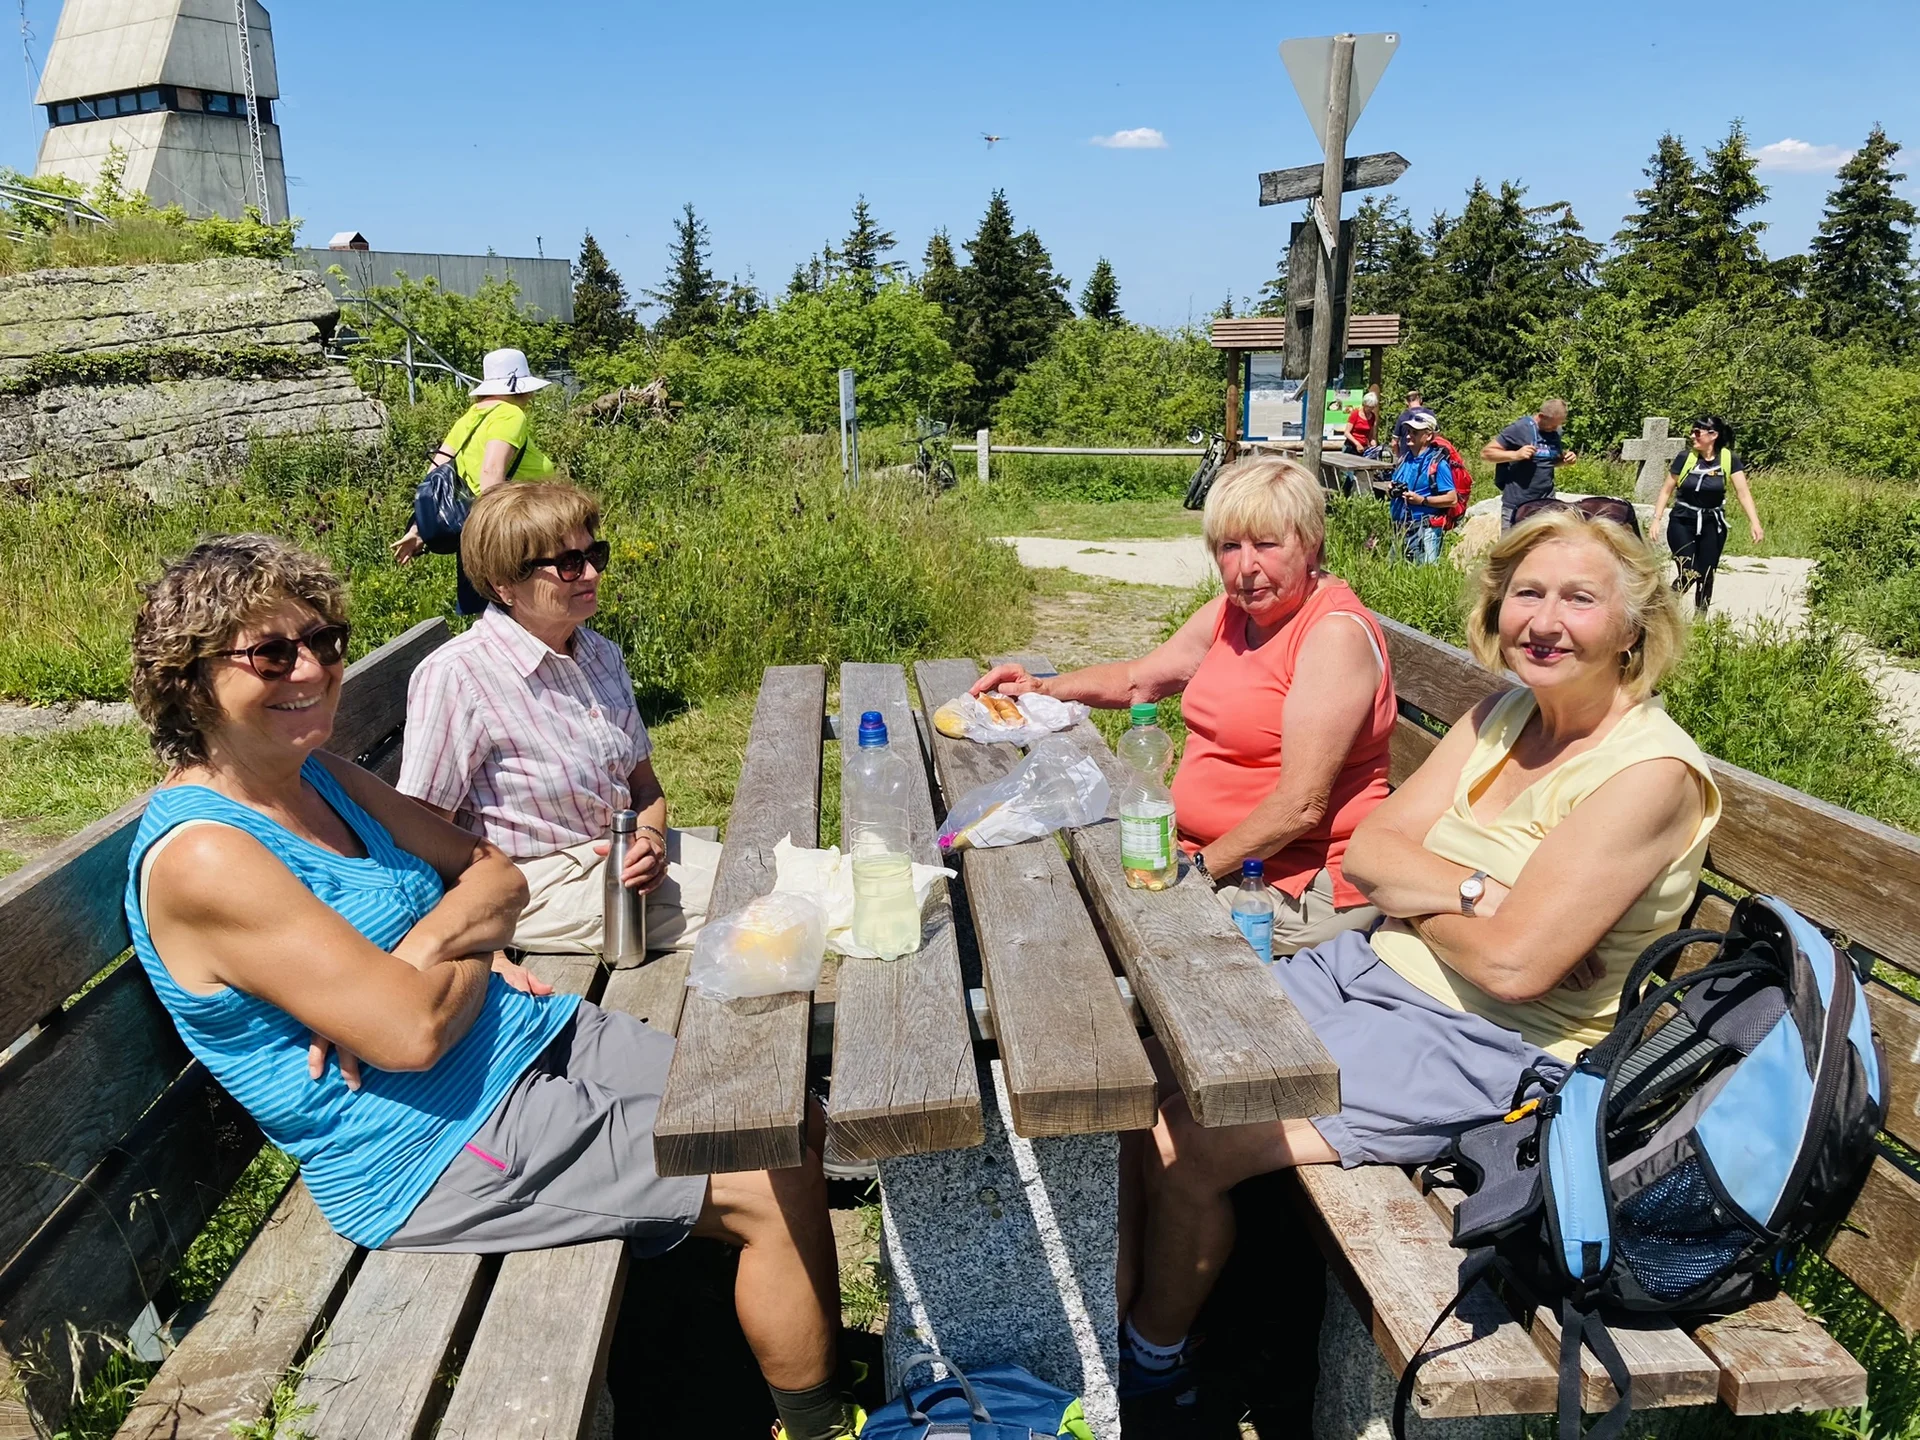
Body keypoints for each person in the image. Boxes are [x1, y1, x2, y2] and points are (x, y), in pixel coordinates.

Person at [124, 535, 860, 1440]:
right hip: (429, 1140)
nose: (310, 668)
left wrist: (428, 944)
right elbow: (410, 1038)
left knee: (781, 1112)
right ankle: (821, 1423)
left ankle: (779, 1346)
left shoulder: (323, 777)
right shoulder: (207, 854)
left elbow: (496, 872)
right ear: (189, 679)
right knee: (767, 1171)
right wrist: (468, 952)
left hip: (520, 1034)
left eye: (324, 640)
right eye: (271, 652)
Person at [1118, 501, 1718, 1426]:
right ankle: (1132, 1320)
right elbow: (1369, 857)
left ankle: (1154, 1370)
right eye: (1526, 593)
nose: (1545, 622)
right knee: (1140, 1077)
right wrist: (1480, 898)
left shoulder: (1649, 775)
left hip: (1487, 1047)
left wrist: (1429, 895)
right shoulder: (1505, 712)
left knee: (1188, 1141)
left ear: (1635, 623)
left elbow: (1517, 976)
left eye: (1579, 600)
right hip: (1369, 974)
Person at [972, 456, 1396, 955]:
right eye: (1229, 547)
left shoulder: (1332, 636)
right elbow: (1137, 682)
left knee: (1088, 937)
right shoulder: (1232, 614)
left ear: (1311, 545)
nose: (1245, 567)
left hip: (1291, 882)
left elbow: (1300, 808)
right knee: (1045, 903)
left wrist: (1193, 872)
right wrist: (1041, 688)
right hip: (1212, 855)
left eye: (1266, 544)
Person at [398, 482, 720, 961]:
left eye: (596, 554)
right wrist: (471, 951)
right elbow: (419, 837)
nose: (590, 573)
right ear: (505, 584)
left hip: (623, 857)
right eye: (568, 564)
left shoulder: (600, 654)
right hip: (539, 888)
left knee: (776, 872)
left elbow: (646, 790)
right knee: (759, 910)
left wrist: (650, 840)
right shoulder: (459, 675)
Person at [393, 348, 560, 617]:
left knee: (492, 623)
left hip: (472, 532)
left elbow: (435, 477)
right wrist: (496, 539)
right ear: (521, 387)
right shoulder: (509, 414)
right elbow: (491, 473)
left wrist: (418, 528)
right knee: (530, 617)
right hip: (514, 529)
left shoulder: (469, 417)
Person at [1650, 415, 1764, 616]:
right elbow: (1666, 490)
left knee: (1707, 573)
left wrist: (1755, 523)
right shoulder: (1685, 458)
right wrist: (1657, 519)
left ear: (1713, 435)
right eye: (1692, 431)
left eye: (1697, 432)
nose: (1692, 436)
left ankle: (1700, 620)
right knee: (1689, 571)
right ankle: (1662, 608)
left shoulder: (1729, 459)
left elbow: (1743, 492)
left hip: (1713, 523)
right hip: (1682, 521)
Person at [1483, 398, 1578, 528]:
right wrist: (1516, 455)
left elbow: (1550, 461)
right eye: (1552, 425)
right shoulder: (1520, 428)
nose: (1556, 428)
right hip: (1517, 504)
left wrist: (1566, 460)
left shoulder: (1556, 431)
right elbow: (1486, 453)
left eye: (1559, 425)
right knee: (1512, 547)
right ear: (1541, 416)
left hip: (1546, 503)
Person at [1386, 409, 1457, 565]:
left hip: (1425, 529)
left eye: (1415, 432)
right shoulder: (1406, 458)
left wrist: (1422, 500)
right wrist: (1391, 488)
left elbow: (1452, 499)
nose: (1408, 435)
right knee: (1394, 571)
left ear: (1428, 436)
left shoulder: (1438, 464)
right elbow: (1395, 483)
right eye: (1408, 431)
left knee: (1426, 573)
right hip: (1401, 527)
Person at [1390, 388, 1426, 458]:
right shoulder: (1430, 415)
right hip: (1426, 460)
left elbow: (1394, 443)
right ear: (1420, 400)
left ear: (1406, 402)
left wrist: (1399, 457)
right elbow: (1437, 437)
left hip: (1406, 459)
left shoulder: (1402, 417)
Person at [1343, 390, 1381, 455]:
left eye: (1372, 407)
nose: (1370, 409)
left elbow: (1371, 435)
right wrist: (1357, 443)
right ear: (1364, 404)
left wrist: (1372, 441)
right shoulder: (1355, 414)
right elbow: (1346, 433)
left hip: (1364, 448)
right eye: (1368, 407)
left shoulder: (1372, 416)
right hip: (1351, 447)